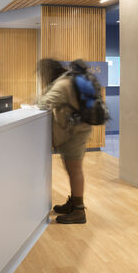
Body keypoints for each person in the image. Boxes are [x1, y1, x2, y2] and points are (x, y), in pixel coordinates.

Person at [37, 58, 93, 224]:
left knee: (75, 170)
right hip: (77, 130)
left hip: (75, 133)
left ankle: (78, 211)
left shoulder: (62, 84)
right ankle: (74, 203)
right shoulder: (68, 80)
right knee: (72, 169)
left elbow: (44, 103)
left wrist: (39, 96)